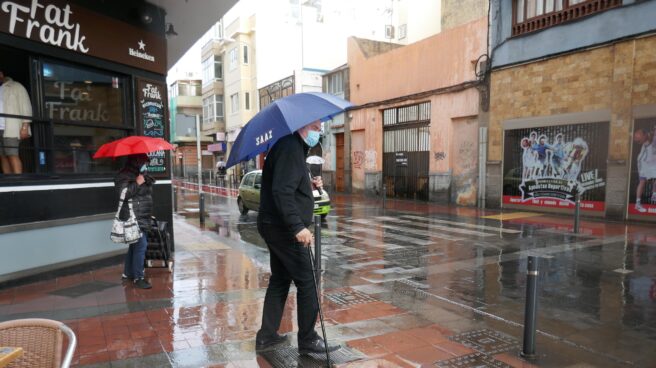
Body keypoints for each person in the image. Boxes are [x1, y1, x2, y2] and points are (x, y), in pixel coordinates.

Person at [255, 120, 340, 355]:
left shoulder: (291, 147)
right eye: (315, 126)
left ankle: (267, 336)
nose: (319, 130)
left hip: (274, 224)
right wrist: (297, 227)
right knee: (309, 281)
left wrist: (309, 184)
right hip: (284, 228)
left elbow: (287, 185)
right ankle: (308, 339)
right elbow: (282, 191)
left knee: (280, 279)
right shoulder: (290, 147)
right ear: (302, 125)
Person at [114, 153, 155, 289]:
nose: (145, 164)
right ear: (135, 162)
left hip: (143, 215)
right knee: (141, 246)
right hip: (133, 217)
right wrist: (137, 183)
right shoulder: (123, 175)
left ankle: (128, 273)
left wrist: (145, 178)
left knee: (134, 245)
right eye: (143, 162)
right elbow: (123, 194)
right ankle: (139, 277)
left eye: (146, 162)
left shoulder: (141, 174)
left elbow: (144, 195)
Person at [0, 70, 32, 174]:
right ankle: (9, 181)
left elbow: (26, 106)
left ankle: (18, 181)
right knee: (2, 156)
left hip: (10, 128)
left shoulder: (16, 86)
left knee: (12, 154)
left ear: (1, 74)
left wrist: (25, 126)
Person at [633, 128, 656, 213]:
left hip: (651, 162)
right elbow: (641, 138)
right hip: (643, 162)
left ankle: (654, 195)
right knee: (642, 181)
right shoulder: (649, 138)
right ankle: (637, 204)